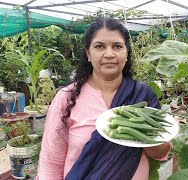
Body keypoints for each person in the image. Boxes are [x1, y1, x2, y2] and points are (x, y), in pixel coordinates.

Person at [36, 17, 171, 180]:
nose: (109, 54)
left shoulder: (141, 95)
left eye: (117, 46)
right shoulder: (67, 97)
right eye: (99, 46)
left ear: (126, 53)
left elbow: (159, 153)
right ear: (88, 53)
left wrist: (145, 132)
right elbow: (50, 164)